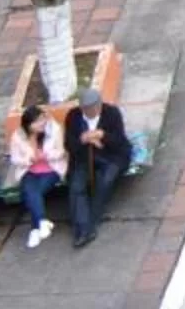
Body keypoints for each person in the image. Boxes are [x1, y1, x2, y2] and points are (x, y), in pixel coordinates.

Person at [64, 84, 129, 248]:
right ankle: (82, 228)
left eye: (92, 108)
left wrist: (102, 135)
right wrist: (83, 140)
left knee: (104, 182)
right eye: (85, 109)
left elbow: (119, 141)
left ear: (99, 105)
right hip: (83, 157)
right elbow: (69, 144)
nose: (89, 112)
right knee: (76, 186)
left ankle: (89, 225)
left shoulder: (111, 113)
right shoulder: (73, 116)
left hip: (111, 156)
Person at [6, 105, 62, 249]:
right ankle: (41, 222)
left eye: (43, 120)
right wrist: (28, 160)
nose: (42, 124)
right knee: (32, 191)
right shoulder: (18, 136)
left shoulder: (54, 130)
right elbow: (14, 158)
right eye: (37, 122)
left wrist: (46, 155)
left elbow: (61, 152)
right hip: (28, 170)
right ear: (28, 124)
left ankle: (35, 228)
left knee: (32, 193)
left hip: (51, 169)